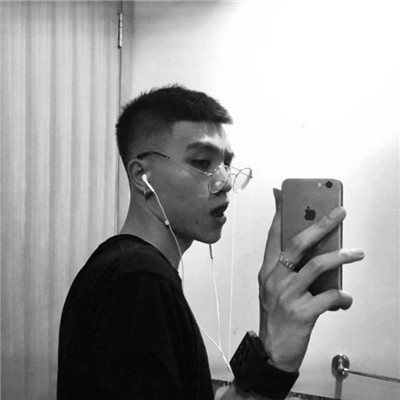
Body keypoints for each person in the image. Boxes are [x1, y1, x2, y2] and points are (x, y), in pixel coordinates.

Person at [57, 85, 364, 400]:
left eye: (226, 165)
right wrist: (277, 364)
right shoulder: (138, 281)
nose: (224, 182)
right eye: (202, 162)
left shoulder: (127, 269)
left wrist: (273, 348)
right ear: (141, 176)